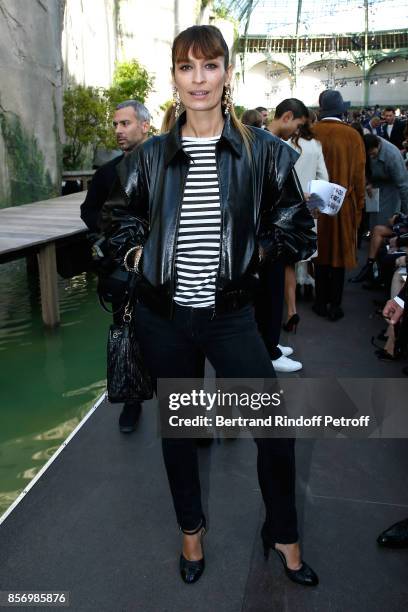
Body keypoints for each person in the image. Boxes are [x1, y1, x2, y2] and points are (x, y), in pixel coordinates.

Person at [101, 25, 318, 586]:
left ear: (227, 72)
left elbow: (298, 229)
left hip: (231, 317)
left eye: (210, 66)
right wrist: (135, 257)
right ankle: (191, 532)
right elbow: (115, 222)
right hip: (163, 318)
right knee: (181, 432)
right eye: (186, 67)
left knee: (274, 432)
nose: (198, 79)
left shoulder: (263, 151)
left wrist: (253, 253)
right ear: (173, 77)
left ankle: (285, 533)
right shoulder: (149, 156)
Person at [81, 100, 151, 433]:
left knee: (178, 343)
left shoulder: (166, 165)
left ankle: (186, 416)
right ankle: (131, 402)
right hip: (123, 272)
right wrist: (113, 234)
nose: (118, 131)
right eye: (115, 125)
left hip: (164, 270)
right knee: (127, 337)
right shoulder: (107, 173)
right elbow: (88, 210)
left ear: (145, 126)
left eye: (125, 123)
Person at [260, 98, 310, 371]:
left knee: (274, 292)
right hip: (269, 234)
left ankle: (271, 345)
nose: (297, 133)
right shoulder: (266, 145)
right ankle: (268, 351)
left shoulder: (269, 144)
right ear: (288, 116)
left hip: (274, 233)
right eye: (298, 126)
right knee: (269, 295)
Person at [312, 90, 366, 321]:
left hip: (313, 202)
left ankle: (319, 301)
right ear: (341, 110)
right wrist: (359, 207)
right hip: (342, 205)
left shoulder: (311, 133)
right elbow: (358, 178)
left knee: (319, 252)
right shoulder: (353, 136)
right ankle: (335, 303)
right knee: (339, 254)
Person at [286, 116, 329, 327]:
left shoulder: (282, 143)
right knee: (307, 252)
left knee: (287, 260)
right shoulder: (315, 145)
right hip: (309, 206)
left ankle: (290, 309)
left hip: (286, 207)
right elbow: (324, 177)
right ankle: (307, 286)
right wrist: (316, 205)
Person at [363, 134, 408, 228]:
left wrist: (406, 213)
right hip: (373, 186)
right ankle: (372, 236)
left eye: (373, 154)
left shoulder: (392, 155)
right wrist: (368, 182)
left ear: (378, 145)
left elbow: (403, 185)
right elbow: (364, 166)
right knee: (373, 220)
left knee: (384, 221)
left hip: (391, 188)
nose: (371, 157)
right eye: (368, 155)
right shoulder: (366, 146)